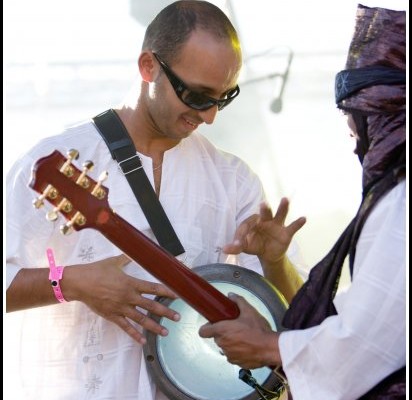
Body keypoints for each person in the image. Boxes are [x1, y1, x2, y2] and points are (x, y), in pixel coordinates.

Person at [6, 1, 306, 399]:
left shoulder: (234, 181)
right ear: (149, 66)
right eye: (197, 95)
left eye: (224, 97)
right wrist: (71, 283)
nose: (211, 116)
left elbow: (297, 322)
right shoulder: (55, 164)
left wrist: (275, 262)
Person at [199, 4, 406, 399]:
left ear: (386, 117)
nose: (356, 148)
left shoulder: (401, 203)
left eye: (357, 129)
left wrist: (265, 346)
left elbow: (366, 346)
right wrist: (274, 262)